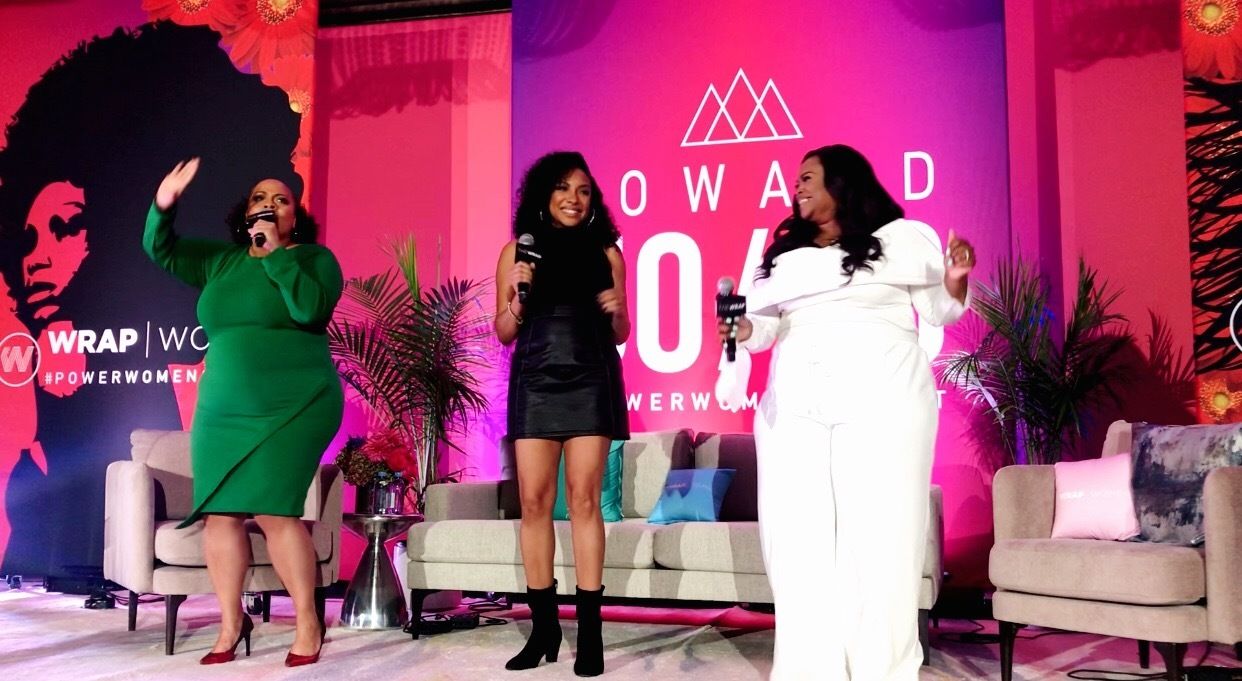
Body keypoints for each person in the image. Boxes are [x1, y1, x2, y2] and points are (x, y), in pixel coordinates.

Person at [715, 144, 975, 680]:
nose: (798, 187)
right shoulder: (786, 258)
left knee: (880, 539)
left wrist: (954, 278)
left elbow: (939, 309)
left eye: (808, 177)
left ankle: (883, 669)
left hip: (884, 401)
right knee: (797, 543)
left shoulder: (902, 240)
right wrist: (742, 329)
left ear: (842, 183)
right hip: (797, 407)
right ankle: (810, 669)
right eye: (796, 180)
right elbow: (766, 328)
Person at [144, 158, 343, 667]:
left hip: (294, 405)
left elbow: (310, 310)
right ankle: (232, 623)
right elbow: (160, 248)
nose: (269, 205)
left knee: (276, 512)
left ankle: (308, 621)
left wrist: (275, 256)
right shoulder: (221, 262)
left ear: (294, 216)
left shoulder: (314, 260)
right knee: (221, 514)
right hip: (222, 410)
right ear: (245, 213)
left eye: (281, 199)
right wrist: (164, 204)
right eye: (260, 198)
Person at [494, 151, 630, 677]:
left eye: (584, 190)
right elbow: (504, 332)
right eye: (564, 188)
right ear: (543, 195)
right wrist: (517, 298)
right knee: (533, 502)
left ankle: (590, 634)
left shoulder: (608, 252)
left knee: (583, 500)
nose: (574, 199)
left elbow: (621, 332)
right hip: (535, 376)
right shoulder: (517, 252)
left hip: (591, 375)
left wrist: (618, 312)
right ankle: (544, 628)